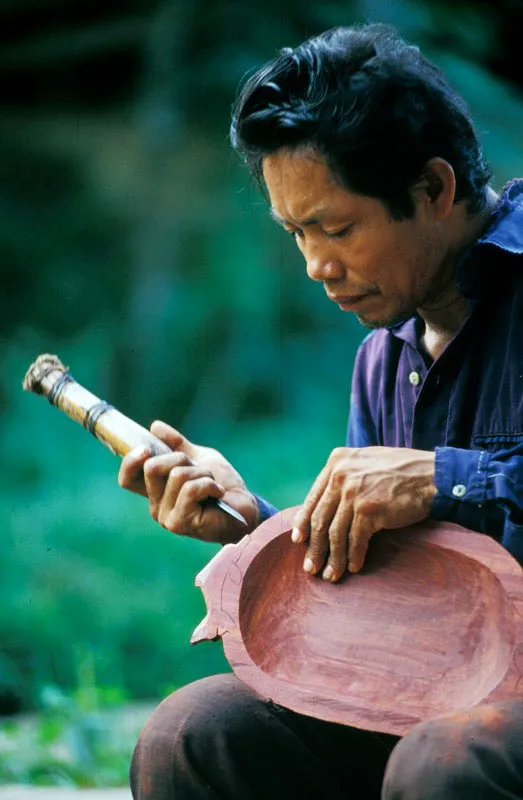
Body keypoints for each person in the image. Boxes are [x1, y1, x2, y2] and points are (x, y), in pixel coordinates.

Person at [119, 23, 523, 800]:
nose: (316, 266)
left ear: (433, 190)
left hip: (478, 729)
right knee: (194, 736)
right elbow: (379, 589)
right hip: (423, 692)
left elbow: (444, 486)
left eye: (337, 228)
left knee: (446, 762)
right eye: (297, 232)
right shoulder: (382, 355)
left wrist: (452, 476)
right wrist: (254, 525)